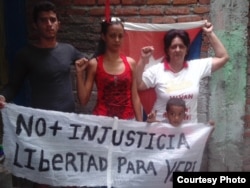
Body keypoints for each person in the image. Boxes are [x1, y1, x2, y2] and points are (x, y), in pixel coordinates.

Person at [0, 1, 87, 188]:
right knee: (44, 177)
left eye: (52, 20)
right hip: (42, 128)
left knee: (69, 175)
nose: (49, 24)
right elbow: (14, 85)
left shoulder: (69, 50)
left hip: (67, 124)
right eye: (43, 20)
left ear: (58, 24)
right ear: (35, 25)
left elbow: (92, 61)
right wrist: (3, 97)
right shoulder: (26, 54)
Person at [137, 20, 229, 123]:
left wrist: (210, 33)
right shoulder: (157, 70)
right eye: (173, 47)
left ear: (186, 50)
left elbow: (223, 57)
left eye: (181, 46)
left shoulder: (196, 67)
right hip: (161, 131)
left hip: (188, 133)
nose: (177, 50)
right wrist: (143, 60)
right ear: (167, 50)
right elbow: (139, 85)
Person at [75, 17, 142, 122]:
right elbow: (83, 101)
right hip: (102, 122)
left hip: (128, 121)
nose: (117, 40)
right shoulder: (95, 64)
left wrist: (140, 125)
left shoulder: (131, 63)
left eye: (120, 36)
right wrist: (79, 74)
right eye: (112, 36)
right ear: (104, 36)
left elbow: (135, 97)